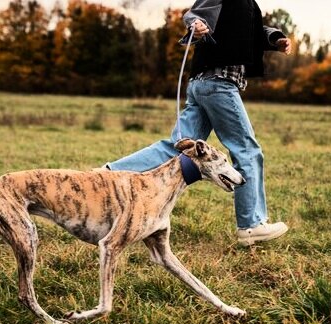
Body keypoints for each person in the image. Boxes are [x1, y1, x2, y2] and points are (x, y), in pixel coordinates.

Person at [106, 0, 291, 246]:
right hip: (218, 83)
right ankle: (251, 225)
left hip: (205, 84)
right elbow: (195, 13)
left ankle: (107, 175)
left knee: (177, 147)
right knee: (246, 149)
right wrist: (196, 23)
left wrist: (275, 39)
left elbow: (252, 30)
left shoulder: (247, 4)